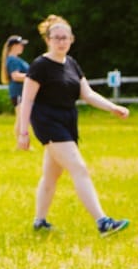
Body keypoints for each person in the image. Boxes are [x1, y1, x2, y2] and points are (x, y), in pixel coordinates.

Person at [16, 14, 131, 236]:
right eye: (57, 37)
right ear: (48, 39)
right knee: (79, 168)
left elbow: (87, 93)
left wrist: (112, 107)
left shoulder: (71, 64)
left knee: (51, 176)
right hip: (48, 122)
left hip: (67, 122)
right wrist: (23, 132)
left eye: (65, 38)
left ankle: (39, 222)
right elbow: (27, 99)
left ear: (72, 40)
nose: (61, 41)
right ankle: (103, 222)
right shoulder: (40, 66)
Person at [1, 34, 30, 107]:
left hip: (20, 93)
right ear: (14, 46)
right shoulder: (13, 60)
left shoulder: (15, 59)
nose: (23, 47)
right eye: (21, 45)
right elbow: (15, 76)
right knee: (21, 118)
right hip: (18, 93)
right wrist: (32, 77)